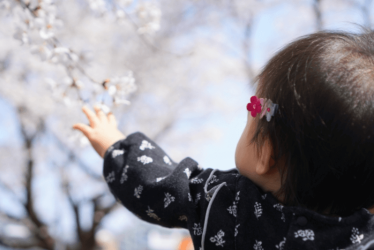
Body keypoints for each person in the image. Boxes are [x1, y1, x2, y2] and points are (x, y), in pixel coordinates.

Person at [73, 29, 374, 250]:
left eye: (251, 114)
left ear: (266, 154)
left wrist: (117, 146)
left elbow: (160, 185)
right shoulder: (364, 237)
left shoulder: (228, 204)